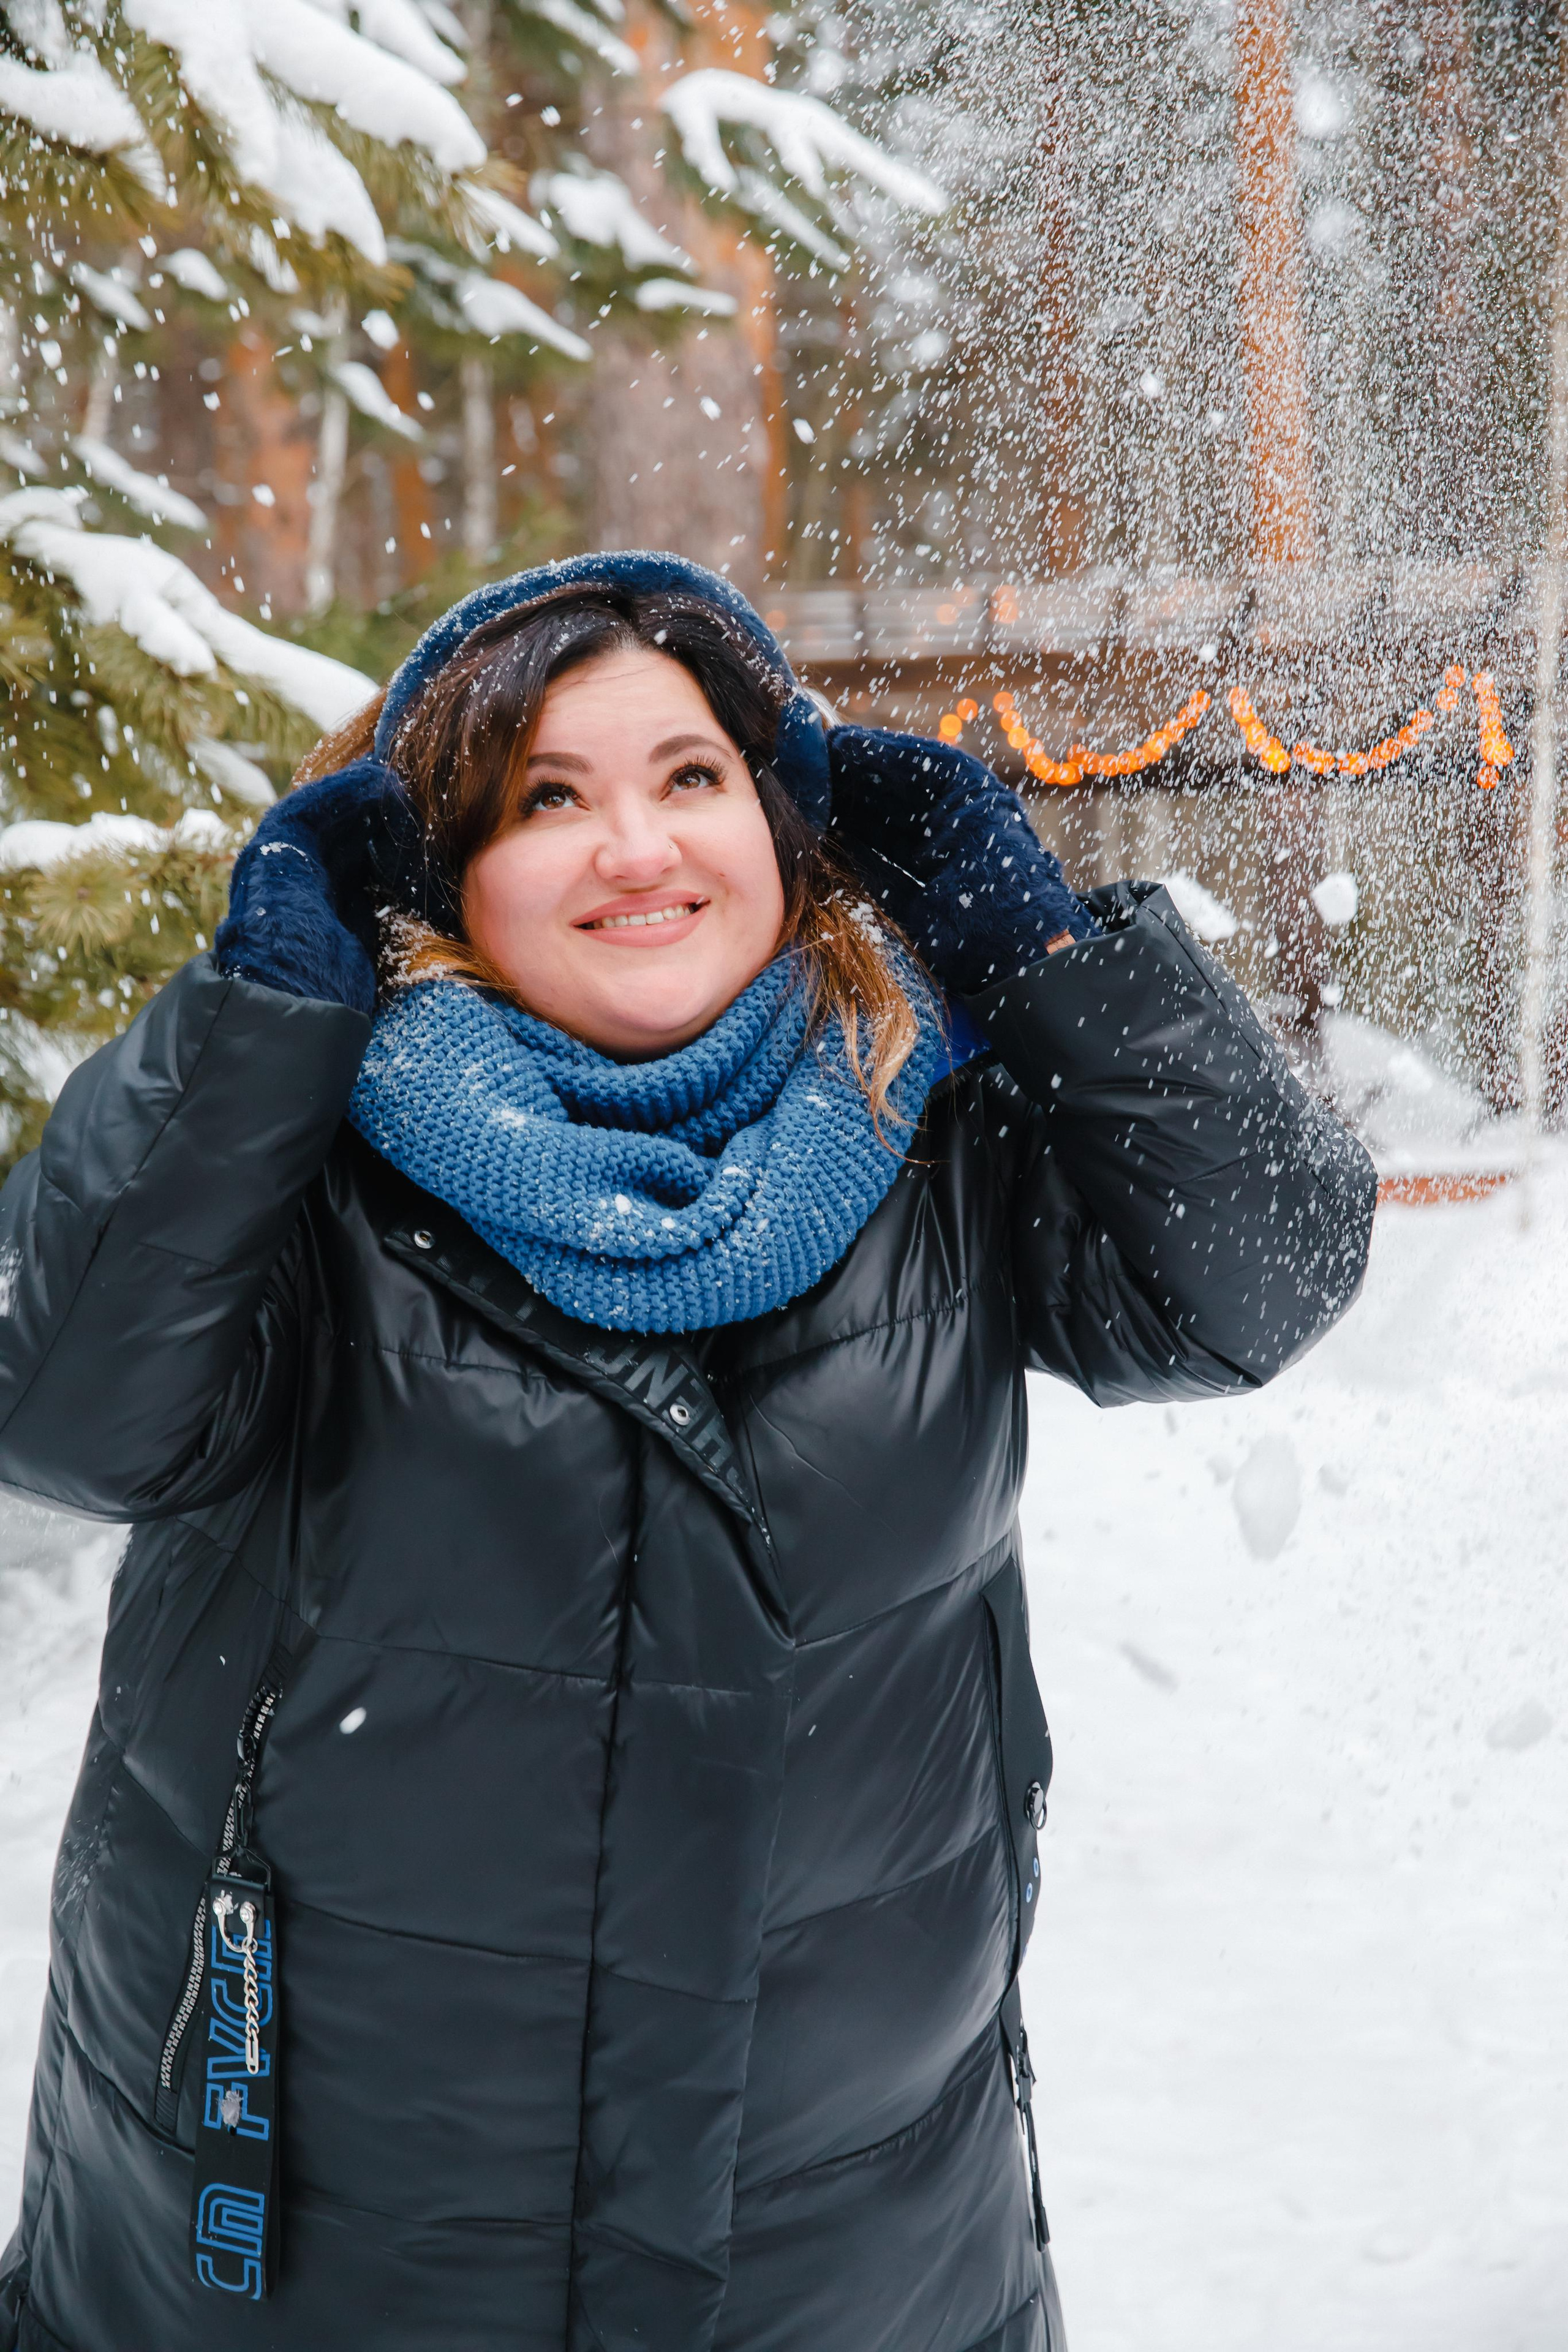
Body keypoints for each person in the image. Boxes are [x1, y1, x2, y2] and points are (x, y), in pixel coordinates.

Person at [0, 553, 1376, 2352]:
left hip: (853, 2242)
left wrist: (1028, 936)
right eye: (545, 798)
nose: (637, 848)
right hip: (315, 2250)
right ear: (439, 873)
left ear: (784, 824)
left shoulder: (931, 1130)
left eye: (693, 778)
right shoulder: (297, 1163)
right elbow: (64, 1406)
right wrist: (265, 1008)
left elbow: (1265, 1273)